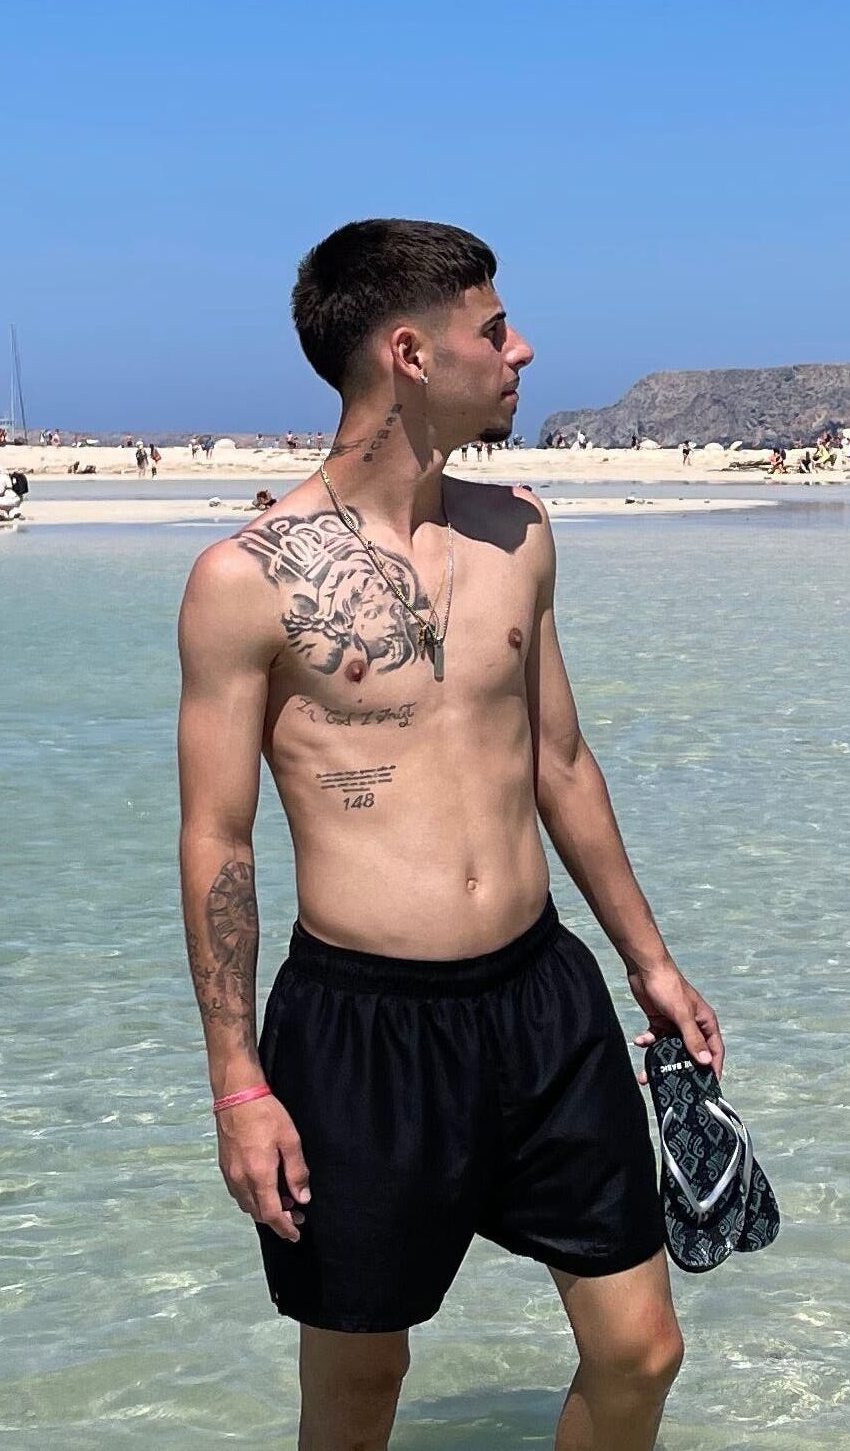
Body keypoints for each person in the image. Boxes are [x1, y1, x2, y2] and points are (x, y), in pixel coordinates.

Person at [177, 220, 716, 1451]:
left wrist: (651, 961)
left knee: (642, 1350)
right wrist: (238, 1083)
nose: (521, 348)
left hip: (543, 1001)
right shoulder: (245, 579)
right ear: (412, 353)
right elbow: (219, 840)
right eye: (494, 327)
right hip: (364, 1031)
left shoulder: (517, 533)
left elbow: (560, 760)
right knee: (360, 1394)